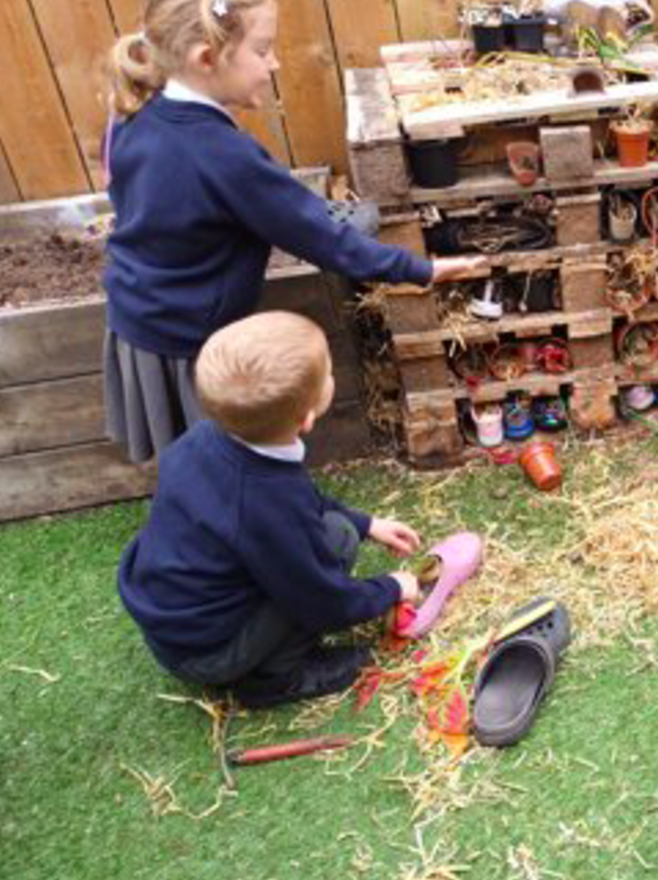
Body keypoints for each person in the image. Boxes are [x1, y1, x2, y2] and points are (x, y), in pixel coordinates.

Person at [103, 0, 479, 462]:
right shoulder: (223, 154)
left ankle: (195, 493)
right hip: (190, 336)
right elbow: (318, 236)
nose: (275, 63)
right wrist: (422, 268)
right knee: (225, 467)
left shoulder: (135, 113)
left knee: (186, 460)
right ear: (206, 58)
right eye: (263, 50)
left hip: (137, 312)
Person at [117, 312, 424, 708]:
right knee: (336, 543)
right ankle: (276, 679)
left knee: (339, 530)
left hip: (174, 626)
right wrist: (391, 588)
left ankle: (260, 655)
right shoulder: (263, 501)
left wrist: (367, 523)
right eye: (329, 372)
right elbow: (321, 599)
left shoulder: (205, 438)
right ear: (308, 417)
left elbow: (299, 499)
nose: (331, 375)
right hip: (208, 655)